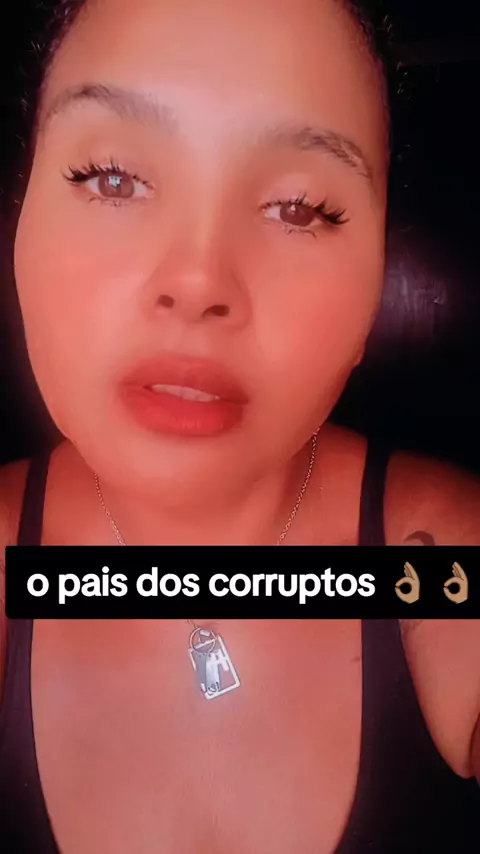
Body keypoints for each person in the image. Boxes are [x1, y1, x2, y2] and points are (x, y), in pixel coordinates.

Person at [0, 0, 479, 851]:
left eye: (299, 208)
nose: (197, 281)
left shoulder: (436, 562)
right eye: (113, 177)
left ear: (376, 282)